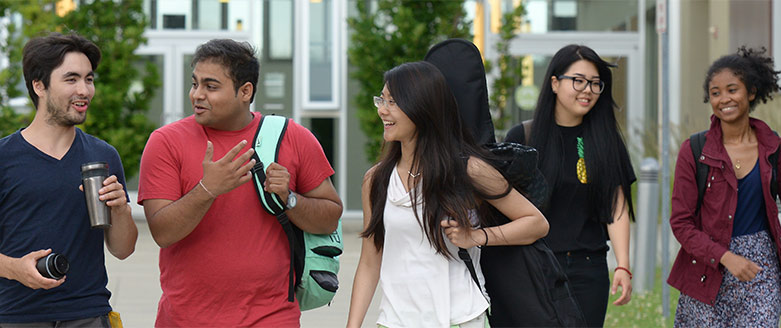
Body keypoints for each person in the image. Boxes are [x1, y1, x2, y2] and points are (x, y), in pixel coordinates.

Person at [137, 38, 344, 327]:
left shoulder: (292, 137)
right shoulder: (166, 142)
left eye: (211, 86)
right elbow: (162, 232)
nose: (197, 95)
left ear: (245, 91)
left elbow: (330, 218)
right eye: (194, 83)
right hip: (185, 319)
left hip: (272, 317)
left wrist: (289, 198)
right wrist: (208, 189)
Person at [0, 32, 138, 327]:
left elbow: (123, 249)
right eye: (71, 79)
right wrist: (14, 268)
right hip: (19, 316)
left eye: (89, 79)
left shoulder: (104, 156)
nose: (85, 90)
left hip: (89, 315)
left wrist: (121, 210)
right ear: (39, 85)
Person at [345, 62, 550, 328]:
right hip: (395, 321)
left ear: (422, 107)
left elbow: (536, 223)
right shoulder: (376, 180)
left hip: (461, 319)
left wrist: (476, 237)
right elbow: (370, 263)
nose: (382, 109)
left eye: (392, 101)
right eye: (381, 100)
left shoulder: (468, 170)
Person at [668, 46, 781, 327]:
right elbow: (681, 223)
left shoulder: (775, 149)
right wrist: (726, 257)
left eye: (732, 90)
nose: (724, 99)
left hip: (759, 270)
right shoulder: (694, 150)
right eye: (716, 93)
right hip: (706, 269)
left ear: (751, 92)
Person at [503, 44, 637, 326]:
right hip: (532, 265)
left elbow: (617, 206)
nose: (587, 90)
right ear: (554, 82)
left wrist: (623, 264)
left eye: (595, 83)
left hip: (587, 270)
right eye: (577, 80)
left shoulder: (606, 140)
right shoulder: (524, 137)